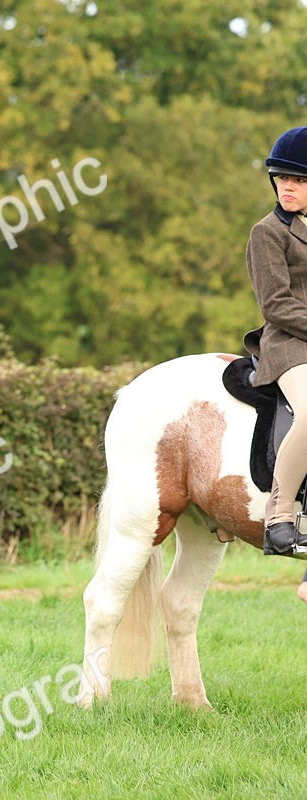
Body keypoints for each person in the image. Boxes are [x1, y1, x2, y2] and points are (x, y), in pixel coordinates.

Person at [243, 125, 307, 558]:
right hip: (289, 344)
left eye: (299, 180)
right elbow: (276, 305)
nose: (288, 187)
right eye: (282, 178)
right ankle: (281, 515)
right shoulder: (267, 232)